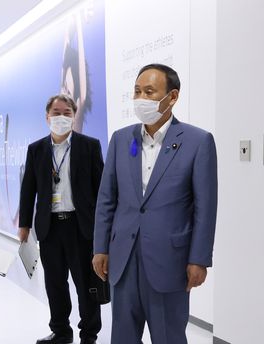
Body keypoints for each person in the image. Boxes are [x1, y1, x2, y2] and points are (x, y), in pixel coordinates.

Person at [92, 64, 218, 344]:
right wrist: (100, 247)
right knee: (123, 337)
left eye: (149, 92)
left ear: (172, 97)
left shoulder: (198, 142)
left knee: (168, 337)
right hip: (123, 259)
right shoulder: (121, 139)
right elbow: (107, 199)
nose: (141, 98)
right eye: (137, 91)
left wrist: (199, 259)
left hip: (169, 262)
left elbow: (205, 208)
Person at [19, 94, 104, 344]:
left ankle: (89, 334)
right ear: (47, 117)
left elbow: (101, 190)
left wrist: (104, 227)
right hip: (50, 228)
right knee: (55, 283)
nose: (61, 117)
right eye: (56, 113)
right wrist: (24, 225)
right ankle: (60, 331)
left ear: (74, 115)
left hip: (81, 227)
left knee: (85, 284)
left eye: (67, 112)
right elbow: (28, 188)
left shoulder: (89, 146)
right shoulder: (36, 150)